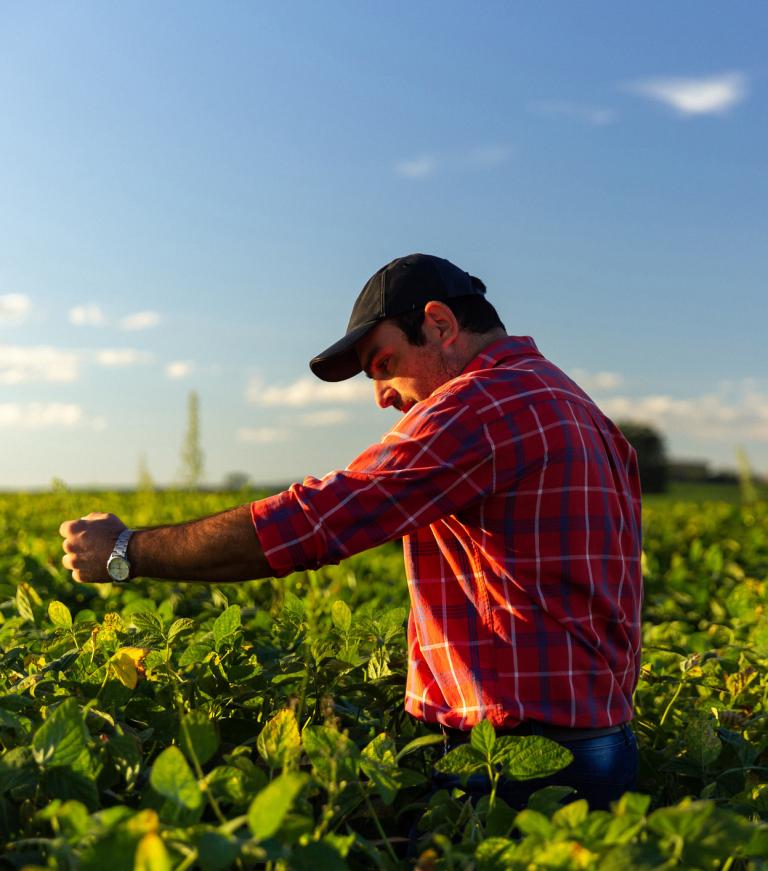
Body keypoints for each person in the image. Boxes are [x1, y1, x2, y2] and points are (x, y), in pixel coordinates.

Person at [60, 253, 642, 810]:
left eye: (383, 363)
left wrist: (125, 549)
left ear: (439, 324)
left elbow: (317, 520)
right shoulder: (575, 404)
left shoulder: (484, 404)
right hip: (600, 740)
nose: (382, 395)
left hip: (520, 758)